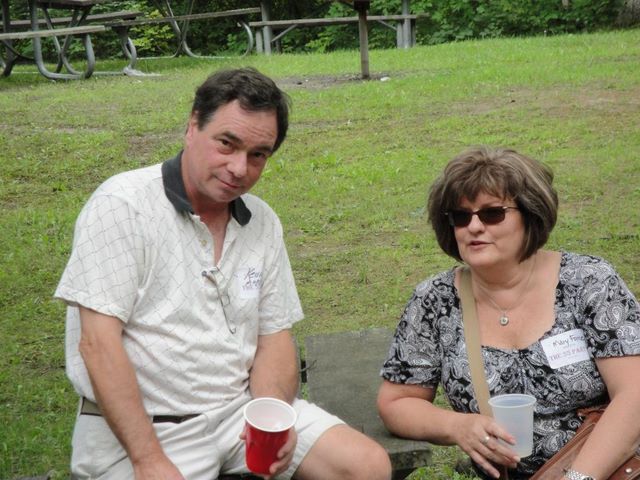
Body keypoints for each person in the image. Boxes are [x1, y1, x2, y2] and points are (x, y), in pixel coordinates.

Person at [55, 67, 391, 480]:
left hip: (238, 416)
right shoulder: (122, 205)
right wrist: (149, 460)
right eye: (227, 144)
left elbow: (274, 338)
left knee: (367, 466)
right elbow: (97, 344)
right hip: (147, 429)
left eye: (258, 155)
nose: (239, 168)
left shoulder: (262, 222)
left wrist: (273, 415)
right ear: (192, 125)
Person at [377, 146, 640, 480]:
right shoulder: (435, 300)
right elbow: (397, 402)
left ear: (530, 215)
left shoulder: (588, 281)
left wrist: (578, 478)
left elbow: (634, 394)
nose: (474, 226)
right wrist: (457, 426)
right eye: (461, 216)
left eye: (492, 214)